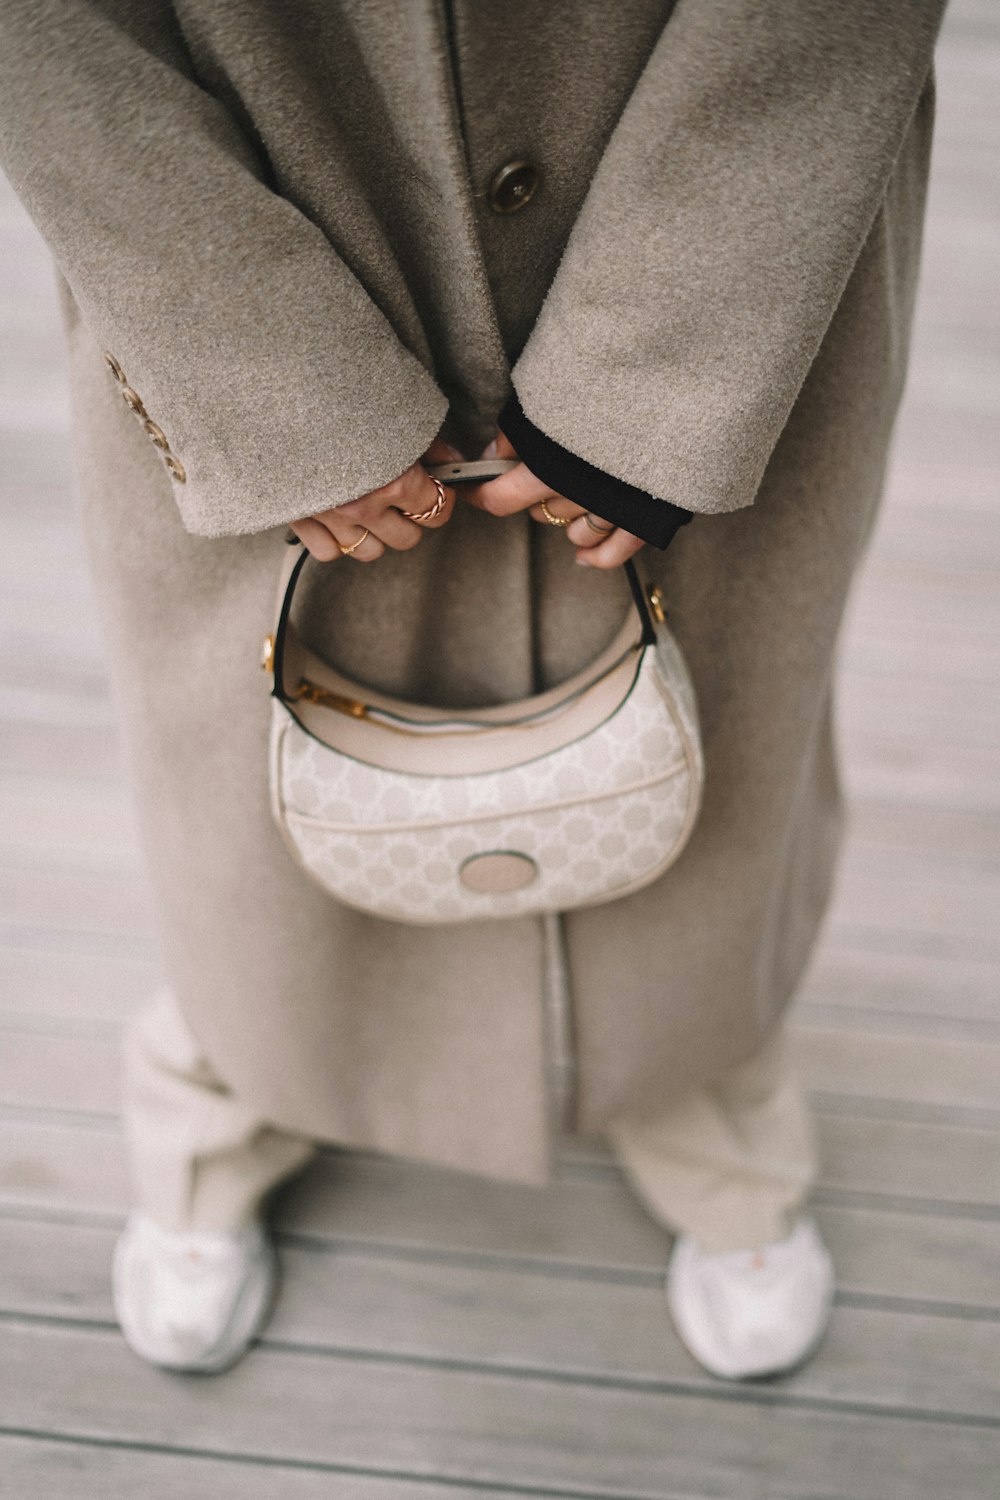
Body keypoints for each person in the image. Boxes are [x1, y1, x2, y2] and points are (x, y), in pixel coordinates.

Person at [0, 0, 945, 1380]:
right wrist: (270, 384)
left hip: (728, 245)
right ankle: (220, 1103)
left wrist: (658, 377)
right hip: (260, 224)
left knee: (723, 752)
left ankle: (714, 1105)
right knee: (239, 805)